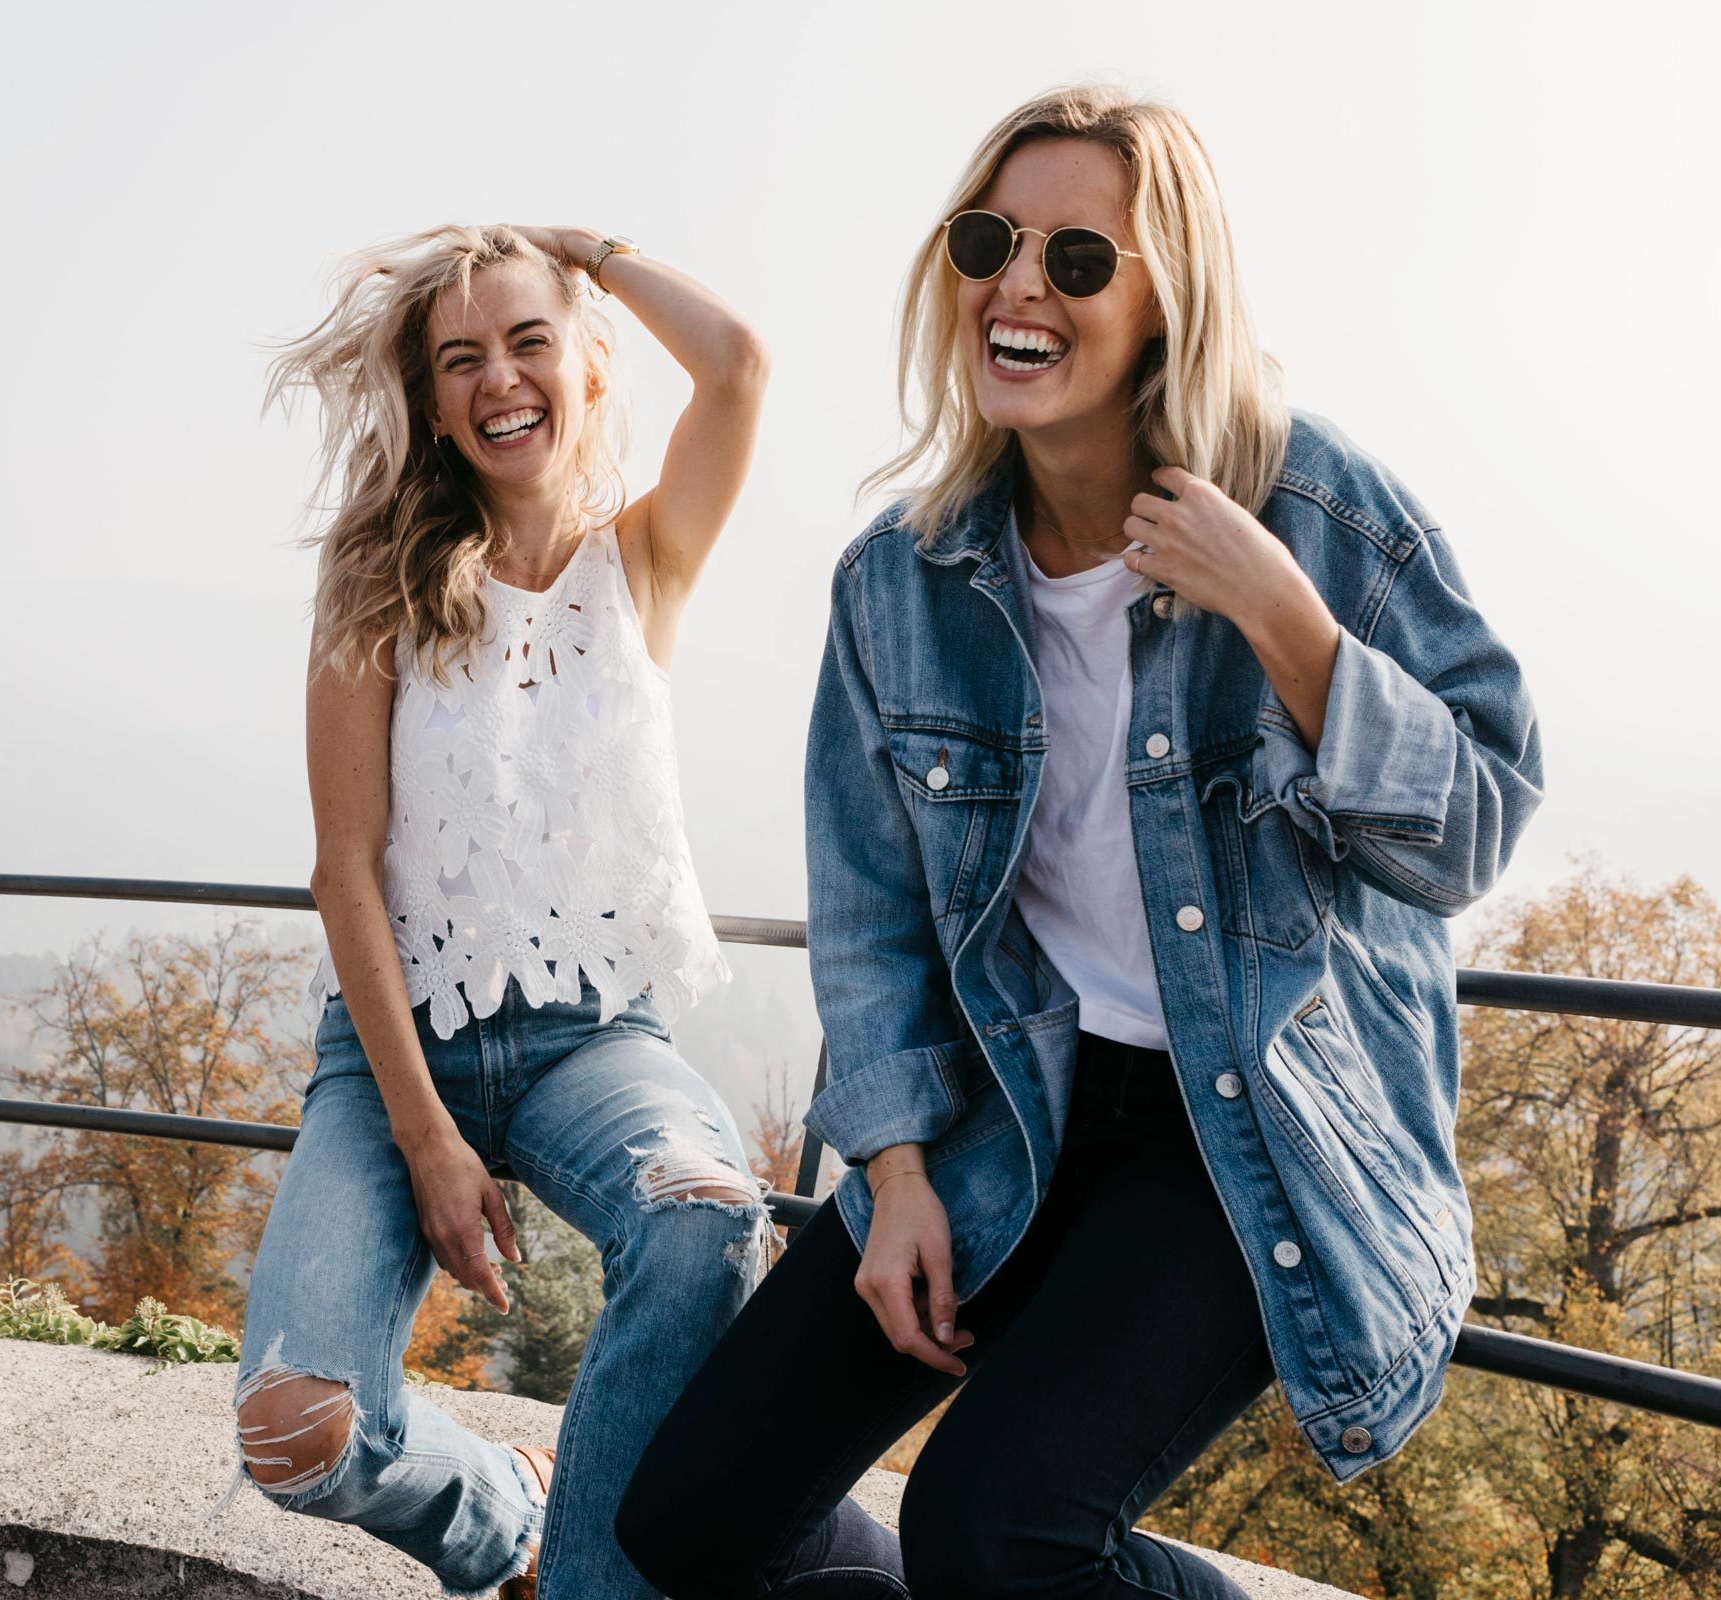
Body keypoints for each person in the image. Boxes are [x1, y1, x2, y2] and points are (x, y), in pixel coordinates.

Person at [619, 85, 1542, 1598]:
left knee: (992, 1532)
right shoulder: (900, 582)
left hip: (1245, 1133)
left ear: (1167, 300)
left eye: (1079, 257)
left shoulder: (1316, 509)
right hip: (1014, 1105)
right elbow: (870, 915)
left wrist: (1287, 621)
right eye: (990, 242)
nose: (1019, 286)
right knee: (692, 1522)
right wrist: (895, 1171)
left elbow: (1476, 825)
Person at [231, 222, 769, 1600]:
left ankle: (585, 1580)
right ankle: (504, 1512)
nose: (500, 380)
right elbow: (346, 868)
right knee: (296, 1434)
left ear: (589, 367)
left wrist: (589, 253)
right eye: (460, 358)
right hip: (397, 1051)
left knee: (709, 1216)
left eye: (531, 343)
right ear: (430, 402)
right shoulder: (375, 581)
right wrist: (427, 1138)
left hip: (594, 1040)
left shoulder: (644, 558)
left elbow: (736, 363)